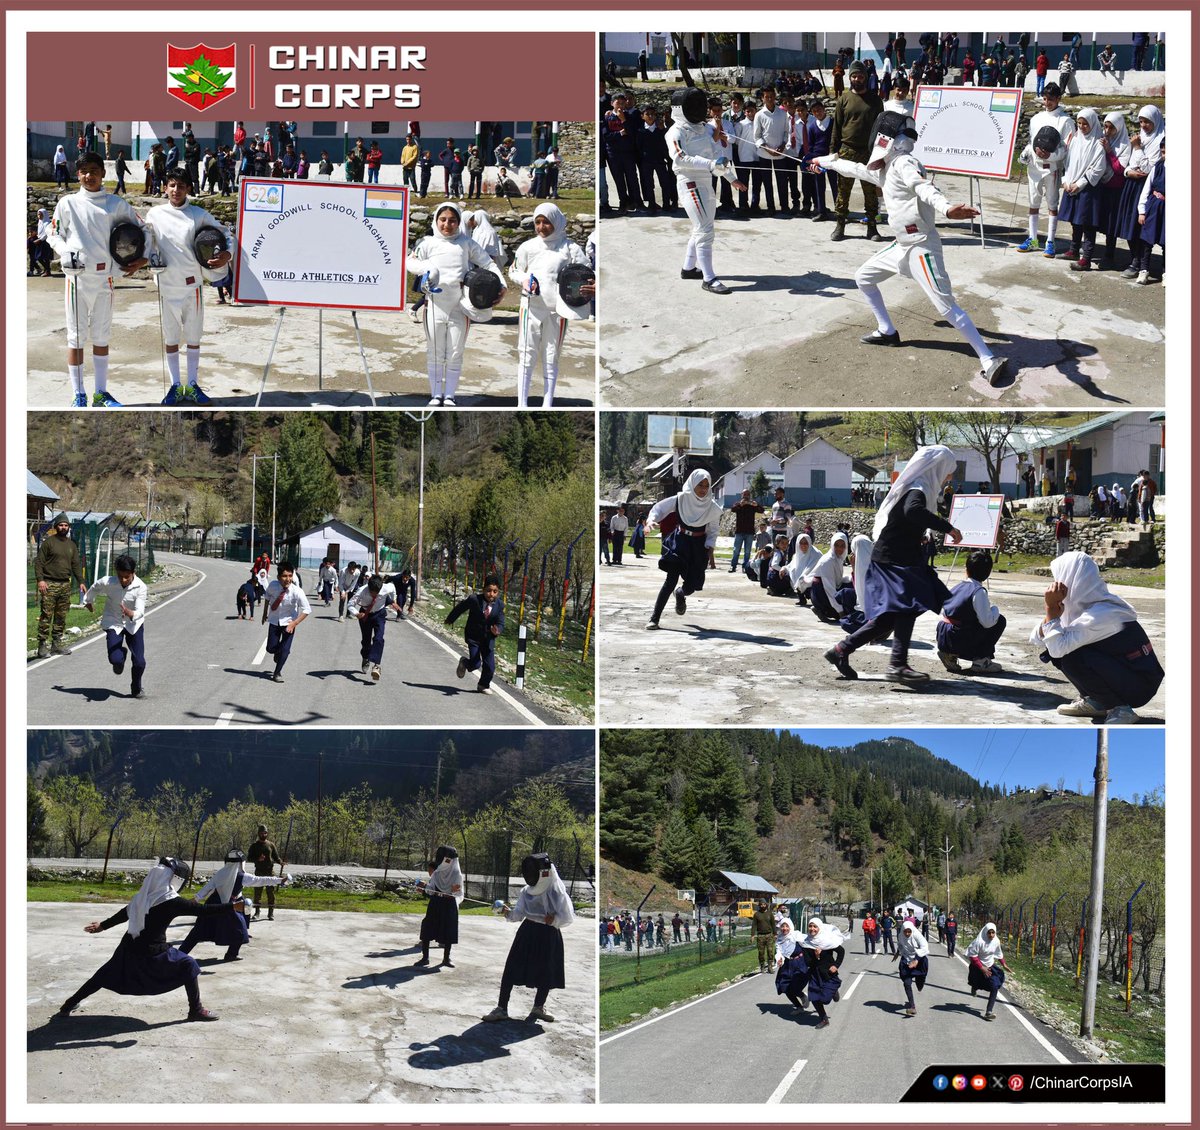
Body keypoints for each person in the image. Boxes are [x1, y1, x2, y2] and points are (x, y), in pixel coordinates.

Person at [810, 113, 1007, 384]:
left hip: (921, 247)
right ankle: (887, 331)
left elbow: (923, 188)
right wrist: (824, 162)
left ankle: (988, 358)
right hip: (901, 246)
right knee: (863, 278)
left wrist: (947, 209)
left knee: (946, 307)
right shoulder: (887, 166)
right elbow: (855, 169)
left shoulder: (904, 163)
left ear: (887, 138)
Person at [825, 445, 962, 683]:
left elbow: (910, 518)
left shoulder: (921, 488)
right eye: (948, 471)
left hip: (901, 557)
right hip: (893, 559)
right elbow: (913, 511)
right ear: (937, 468)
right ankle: (898, 665)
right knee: (906, 607)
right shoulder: (918, 489)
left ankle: (841, 650)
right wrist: (948, 527)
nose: (949, 477)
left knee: (889, 617)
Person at [55, 857, 226, 1022]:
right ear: (174, 879)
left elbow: (125, 912)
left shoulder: (142, 897)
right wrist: (233, 907)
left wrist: (103, 926)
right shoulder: (172, 902)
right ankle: (195, 1010)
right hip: (153, 954)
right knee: (189, 964)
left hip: (129, 947)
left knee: (103, 975)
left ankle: (67, 1005)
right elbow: (204, 910)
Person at [46, 150, 146, 407]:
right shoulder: (67, 204)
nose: (89, 175)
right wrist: (65, 250)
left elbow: (142, 229)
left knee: (101, 337)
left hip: (104, 278)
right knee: (76, 337)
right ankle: (78, 394)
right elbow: (53, 233)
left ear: (103, 173)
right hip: (76, 279)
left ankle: (100, 393)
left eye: (94, 170)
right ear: (77, 174)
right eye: (83, 171)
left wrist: (144, 257)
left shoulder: (116, 204)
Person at [1031, 551, 1164, 724]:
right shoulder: (1082, 606)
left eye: (1057, 578)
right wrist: (1053, 612)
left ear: (1070, 578)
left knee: (1071, 656)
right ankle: (1096, 702)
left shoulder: (1102, 613)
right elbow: (1036, 638)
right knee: (1060, 648)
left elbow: (1058, 649)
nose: (1054, 585)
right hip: (1128, 674)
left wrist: (1051, 610)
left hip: (1140, 684)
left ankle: (1120, 709)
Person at [137, 166, 233, 406]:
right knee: (171, 338)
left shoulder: (199, 214)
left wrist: (227, 254)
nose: (176, 190)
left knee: (193, 337)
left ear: (189, 188)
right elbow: (144, 243)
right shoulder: (155, 214)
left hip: (193, 286)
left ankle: (192, 384)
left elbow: (225, 234)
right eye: (171, 185)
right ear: (165, 187)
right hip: (167, 286)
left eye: (181, 186)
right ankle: (175, 386)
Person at [406, 201, 507, 406]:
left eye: (452, 220)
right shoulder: (427, 243)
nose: (447, 224)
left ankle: (450, 394)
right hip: (434, 306)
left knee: (454, 352)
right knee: (435, 350)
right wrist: (426, 268)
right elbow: (410, 262)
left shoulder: (466, 243)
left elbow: (488, 263)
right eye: (443, 220)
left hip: (459, 306)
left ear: (459, 222)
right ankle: (435, 394)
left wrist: (501, 285)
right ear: (436, 220)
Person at [508, 202, 592, 407]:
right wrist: (524, 280)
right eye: (538, 222)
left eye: (546, 222)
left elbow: (587, 272)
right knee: (526, 353)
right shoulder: (528, 247)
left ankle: (548, 403)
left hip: (559, 310)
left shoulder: (570, 248)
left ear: (556, 221)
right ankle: (522, 403)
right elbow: (514, 270)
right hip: (531, 307)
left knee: (551, 355)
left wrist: (591, 285)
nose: (541, 227)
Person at [665, 87, 745, 295]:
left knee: (703, 226)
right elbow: (680, 158)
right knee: (705, 230)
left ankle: (688, 268)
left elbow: (718, 155)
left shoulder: (706, 128)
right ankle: (709, 279)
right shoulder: (676, 131)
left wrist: (731, 178)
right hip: (689, 182)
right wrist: (710, 165)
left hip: (706, 182)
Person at [483, 853, 575, 1024]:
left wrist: (554, 919)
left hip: (548, 934)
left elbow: (568, 916)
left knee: (545, 972)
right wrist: (507, 912)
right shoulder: (527, 891)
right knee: (511, 967)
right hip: (527, 932)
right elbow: (518, 914)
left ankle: (538, 1007)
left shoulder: (555, 890)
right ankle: (501, 1008)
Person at [644, 469, 722, 630]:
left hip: (698, 546)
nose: (703, 489)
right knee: (670, 580)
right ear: (693, 484)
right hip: (679, 542)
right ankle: (654, 618)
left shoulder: (712, 507)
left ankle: (680, 593)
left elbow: (713, 530)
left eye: (706, 486)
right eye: (700, 484)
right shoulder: (681, 499)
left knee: (693, 584)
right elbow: (659, 509)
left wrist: (710, 546)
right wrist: (651, 521)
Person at [178, 849, 289, 961]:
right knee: (202, 931)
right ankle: (179, 955)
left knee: (235, 931)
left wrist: (197, 898)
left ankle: (231, 954)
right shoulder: (241, 876)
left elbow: (208, 888)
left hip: (215, 904)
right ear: (240, 863)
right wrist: (280, 880)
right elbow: (260, 880)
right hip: (228, 907)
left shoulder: (221, 873)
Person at [829, 61, 885, 243]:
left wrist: (881, 154)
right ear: (850, 78)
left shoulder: (875, 100)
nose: (857, 79)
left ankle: (872, 227)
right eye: (854, 76)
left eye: (860, 76)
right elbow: (836, 128)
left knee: (870, 192)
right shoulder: (843, 99)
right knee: (843, 191)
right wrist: (833, 152)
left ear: (865, 78)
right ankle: (840, 225)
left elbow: (881, 129)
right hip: (846, 151)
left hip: (869, 153)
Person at [1017, 85, 1073, 256]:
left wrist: (1050, 155)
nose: (1047, 102)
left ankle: (1050, 241)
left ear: (1058, 99)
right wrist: (1026, 154)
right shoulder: (1036, 118)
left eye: (1051, 99)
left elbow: (1067, 148)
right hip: (1034, 167)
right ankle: (1033, 238)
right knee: (1033, 203)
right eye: (1045, 99)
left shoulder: (1065, 121)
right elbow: (1032, 141)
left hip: (1052, 168)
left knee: (1052, 204)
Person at [82, 553, 148, 698]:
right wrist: (88, 601)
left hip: (133, 624)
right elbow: (94, 588)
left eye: (127, 577)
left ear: (133, 573)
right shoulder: (108, 582)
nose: (123, 580)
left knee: (140, 662)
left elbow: (140, 611)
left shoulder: (141, 587)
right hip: (114, 621)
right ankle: (121, 654)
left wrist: (131, 613)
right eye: (120, 576)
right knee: (115, 659)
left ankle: (136, 688)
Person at [936, 549, 1006, 674]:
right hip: (958, 639)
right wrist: (995, 610)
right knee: (999, 621)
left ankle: (950, 654)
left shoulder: (958, 587)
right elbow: (987, 623)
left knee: (969, 620)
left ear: (966, 569)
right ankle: (981, 661)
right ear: (988, 573)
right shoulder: (978, 591)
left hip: (944, 636)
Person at [1057, 110, 1108, 271]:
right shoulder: (1075, 139)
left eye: (1085, 123)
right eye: (1079, 123)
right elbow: (1067, 162)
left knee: (1087, 224)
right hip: (1071, 185)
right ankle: (1073, 250)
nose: (1082, 126)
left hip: (1087, 189)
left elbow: (1098, 168)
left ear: (1092, 124)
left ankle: (1086, 258)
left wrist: (1079, 184)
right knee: (1075, 221)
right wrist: (1066, 181)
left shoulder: (1097, 143)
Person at [34, 513, 87, 657]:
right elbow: (38, 562)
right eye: (61, 525)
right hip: (49, 584)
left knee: (61, 616)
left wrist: (81, 582)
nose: (63, 527)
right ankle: (42, 646)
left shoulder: (71, 545)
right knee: (46, 615)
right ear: (56, 526)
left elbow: (76, 565)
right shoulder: (49, 542)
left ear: (68, 527)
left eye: (66, 525)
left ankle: (56, 645)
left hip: (65, 585)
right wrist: (40, 580)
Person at [446, 572, 505, 694]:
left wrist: (497, 630)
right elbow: (460, 608)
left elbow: (500, 622)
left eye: (495, 591)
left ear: (498, 592)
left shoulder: (499, 605)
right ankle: (464, 662)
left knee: (490, 667)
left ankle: (483, 685)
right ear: (483, 590)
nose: (491, 594)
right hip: (474, 638)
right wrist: (451, 619)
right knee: (475, 663)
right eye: (488, 590)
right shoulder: (474, 600)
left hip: (489, 638)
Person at [262, 562, 310, 683]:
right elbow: (267, 598)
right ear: (278, 577)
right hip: (274, 620)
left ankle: (277, 673)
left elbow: (307, 610)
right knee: (271, 648)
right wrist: (264, 614)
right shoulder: (273, 585)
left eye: (290, 575)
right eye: (284, 576)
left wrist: (294, 623)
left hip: (289, 623)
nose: (288, 579)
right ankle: (276, 652)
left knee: (286, 649)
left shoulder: (297, 591)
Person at [417, 845, 463, 967]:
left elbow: (459, 893)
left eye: (447, 860)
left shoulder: (456, 874)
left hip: (449, 905)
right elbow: (431, 890)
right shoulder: (437, 873)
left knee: (448, 931)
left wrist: (454, 892)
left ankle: (446, 959)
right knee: (427, 928)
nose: (445, 862)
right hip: (436, 903)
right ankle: (425, 958)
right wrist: (424, 888)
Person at [347, 573, 395, 682]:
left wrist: (393, 600)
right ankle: (365, 657)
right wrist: (356, 614)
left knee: (379, 638)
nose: (374, 595)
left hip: (379, 614)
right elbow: (350, 604)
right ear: (368, 587)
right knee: (366, 641)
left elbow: (393, 589)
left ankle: (376, 665)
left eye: (376, 593)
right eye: (372, 592)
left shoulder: (386, 587)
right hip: (365, 615)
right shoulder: (362, 591)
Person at [799, 917, 846, 1029]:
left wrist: (836, 965)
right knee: (814, 997)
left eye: (815, 926)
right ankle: (824, 1019)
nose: (812, 929)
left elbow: (841, 951)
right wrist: (817, 956)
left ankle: (834, 991)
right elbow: (808, 962)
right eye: (810, 926)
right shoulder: (806, 943)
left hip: (828, 973)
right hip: (815, 974)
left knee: (825, 999)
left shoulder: (827, 940)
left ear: (819, 928)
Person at [803, 531, 854, 623]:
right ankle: (823, 609)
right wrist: (840, 611)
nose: (839, 548)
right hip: (821, 593)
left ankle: (824, 609)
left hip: (827, 591)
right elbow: (829, 588)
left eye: (842, 545)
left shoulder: (838, 558)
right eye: (836, 545)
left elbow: (837, 580)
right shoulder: (828, 561)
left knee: (851, 585)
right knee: (848, 612)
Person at [966, 921, 1011, 1021]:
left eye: (993, 932)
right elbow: (972, 956)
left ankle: (988, 1012)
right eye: (989, 933)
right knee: (976, 982)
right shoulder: (979, 942)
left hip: (990, 966)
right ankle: (974, 987)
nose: (991, 935)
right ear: (985, 932)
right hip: (977, 967)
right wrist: (982, 968)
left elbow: (998, 953)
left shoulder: (996, 941)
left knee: (994, 986)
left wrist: (1004, 964)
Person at [892, 918, 929, 1017]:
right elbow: (900, 944)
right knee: (907, 983)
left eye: (909, 931)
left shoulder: (917, 935)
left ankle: (920, 980)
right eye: (905, 931)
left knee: (920, 982)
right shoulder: (901, 935)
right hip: (907, 959)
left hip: (919, 959)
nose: (907, 933)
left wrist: (916, 960)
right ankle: (912, 1006)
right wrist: (897, 953)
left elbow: (925, 947)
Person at [773, 918, 811, 1011]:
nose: (784, 928)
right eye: (782, 926)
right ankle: (798, 1007)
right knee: (784, 986)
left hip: (799, 963)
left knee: (795, 987)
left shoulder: (797, 936)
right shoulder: (779, 939)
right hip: (787, 965)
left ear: (790, 927)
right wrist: (779, 959)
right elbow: (779, 952)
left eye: (787, 926)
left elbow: (810, 942)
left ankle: (802, 995)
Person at [247, 824, 283, 920]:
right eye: (262, 833)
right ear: (259, 833)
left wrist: (280, 862)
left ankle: (270, 913)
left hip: (270, 872)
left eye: (265, 832)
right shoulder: (254, 846)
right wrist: (258, 859)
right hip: (259, 872)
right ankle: (257, 913)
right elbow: (249, 858)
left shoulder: (271, 845)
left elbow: (276, 857)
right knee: (257, 893)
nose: (264, 834)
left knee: (270, 893)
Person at [729, 490, 765, 573]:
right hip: (739, 531)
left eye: (748, 494)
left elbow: (762, 510)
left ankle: (745, 567)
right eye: (745, 494)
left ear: (750, 495)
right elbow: (733, 509)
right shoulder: (738, 504)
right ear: (741, 495)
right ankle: (733, 566)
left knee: (747, 552)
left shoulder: (752, 505)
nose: (746, 496)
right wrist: (740, 505)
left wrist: (757, 505)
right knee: (736, 550)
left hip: (749, 532)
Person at [786, 531, 820, 606]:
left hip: (812, 581)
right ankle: (801, 598)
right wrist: (784, 568)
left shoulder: (816, 554)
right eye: (801, 543)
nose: (803, 546)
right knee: (792, 572)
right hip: (802, 583)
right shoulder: (797, 555)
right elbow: (791, 566)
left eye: (806, 543)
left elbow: (814, 570)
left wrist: (804, 577)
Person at [751, 899, 775, 973]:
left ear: (766, 905)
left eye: (764, 904)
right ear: (759, 905)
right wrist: (752, 935)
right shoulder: (756, 914)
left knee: (770, 951)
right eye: (761, 904)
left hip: (769, 935)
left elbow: (773, 924)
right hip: (760, 936)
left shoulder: (770, 913)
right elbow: (754, 925)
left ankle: (770, 967)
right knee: (761, 953)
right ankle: (762, 966)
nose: (763, 906)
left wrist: (775, 933)